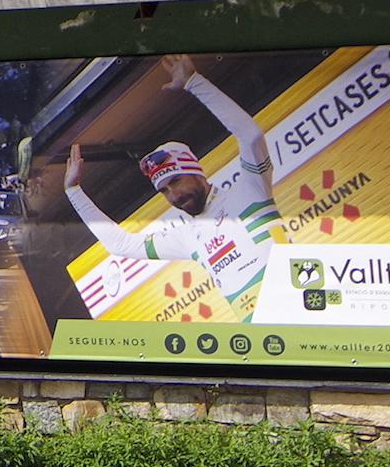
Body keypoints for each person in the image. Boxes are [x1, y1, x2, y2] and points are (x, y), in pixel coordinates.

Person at [60, 54, 288, 317]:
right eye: (164, 191)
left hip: (313, 314)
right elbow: (121, 245)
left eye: (176, 181)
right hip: (272, 344)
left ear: (197, 173)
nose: (174, 195)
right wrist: (73, 191)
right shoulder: (187, 237)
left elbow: (250, 136)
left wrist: (193, 82)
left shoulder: (250, 190)